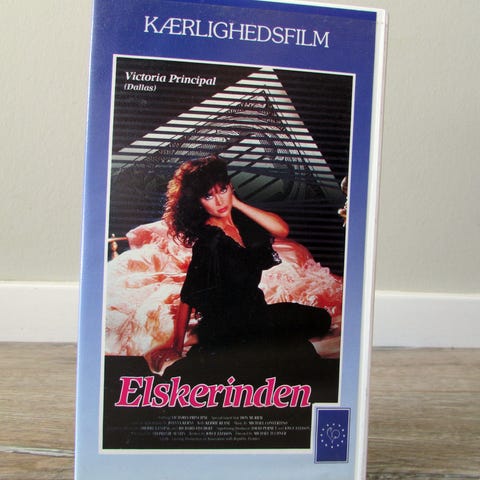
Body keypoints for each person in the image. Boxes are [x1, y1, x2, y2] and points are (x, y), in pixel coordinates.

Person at [146, 156, 337, 399]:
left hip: (257, 311)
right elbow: (188, 294)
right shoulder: (209, 241)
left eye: (222, 190)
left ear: (231, 187)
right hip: (228, 324)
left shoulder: (242, 223)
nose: (219, 201)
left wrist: (236, 203)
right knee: (299, 353)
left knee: (320, 319)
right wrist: (176, 345)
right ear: (198, 202)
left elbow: (281, 229)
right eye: (208, 196)